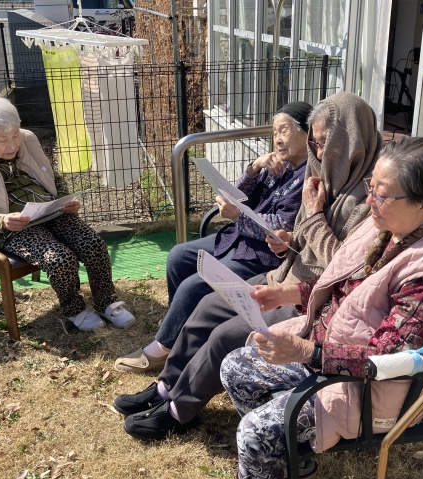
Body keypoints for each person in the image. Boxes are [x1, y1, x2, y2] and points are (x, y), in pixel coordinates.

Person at [219, 136, 423, 479]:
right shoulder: (389, 226)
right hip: (329, 354)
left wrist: (304, 351)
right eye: (370, 186)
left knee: (254, 432)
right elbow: (348, 285)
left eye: (383, 194)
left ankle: (274, 443)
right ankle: (286, 454)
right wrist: (286, 294)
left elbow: (388, 360)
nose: (370, 200)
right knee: (235, 368)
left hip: (372, 389)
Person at [114, 92, 382, 440]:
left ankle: (180, 409)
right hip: (281, 275)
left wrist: (314, 217)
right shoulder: (324, 176)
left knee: (224, 335)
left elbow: (346, 269)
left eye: (323, 143)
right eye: (314, 144)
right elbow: (298, 232)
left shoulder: (372, 200)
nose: (317, 152)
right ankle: (166, 386)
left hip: (312, 299)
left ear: (349, 140)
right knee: (207, 306)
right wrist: (289, 238)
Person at [113, 102, 313, 373]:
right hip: (238, 237)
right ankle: (179, 329)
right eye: (274, 132)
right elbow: (240, 195)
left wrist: (237, 215)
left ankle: (162, 350)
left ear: (306, 132)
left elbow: (282, 227)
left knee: (194, 285)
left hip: (263, 253)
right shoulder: (277, 164)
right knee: (178, 256)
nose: (277, 138)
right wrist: (255, 167)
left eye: (284, 130)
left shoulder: (309, 176)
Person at [0, 95, 134, 332]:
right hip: (14, 228)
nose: (12, 145)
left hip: (50, 213)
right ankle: (75, 309)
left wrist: (66, 200)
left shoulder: (28, 141)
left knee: (93, 244)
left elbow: (54, 179)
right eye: (3, 140)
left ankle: (106, 301)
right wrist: (2, 221)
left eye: (15, 135)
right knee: (59, 259)